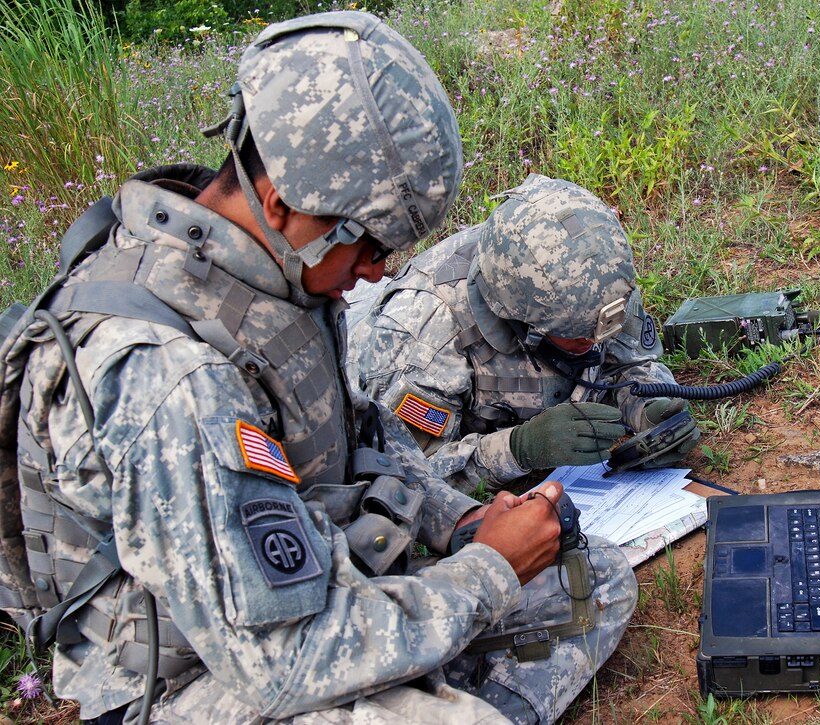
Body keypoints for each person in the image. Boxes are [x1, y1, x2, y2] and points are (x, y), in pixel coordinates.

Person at [0, 13, 635, 724]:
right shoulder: (171, 375)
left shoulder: (277, 278)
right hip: (187, 675)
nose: (377, 271)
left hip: (307, 584)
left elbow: (366, 436)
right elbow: (286, 659)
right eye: (367, 247)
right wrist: (488, 571)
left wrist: (461, 522)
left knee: (596, 576)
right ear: (282, 202)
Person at [345, 174, 700, 494]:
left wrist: (647, 407)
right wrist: (519, 448)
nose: (594, 345)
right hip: (355, 338)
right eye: (577, 338)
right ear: (518, 321)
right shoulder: (424, 344)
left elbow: (629, 363)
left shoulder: (600, 282)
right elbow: (407, 473)